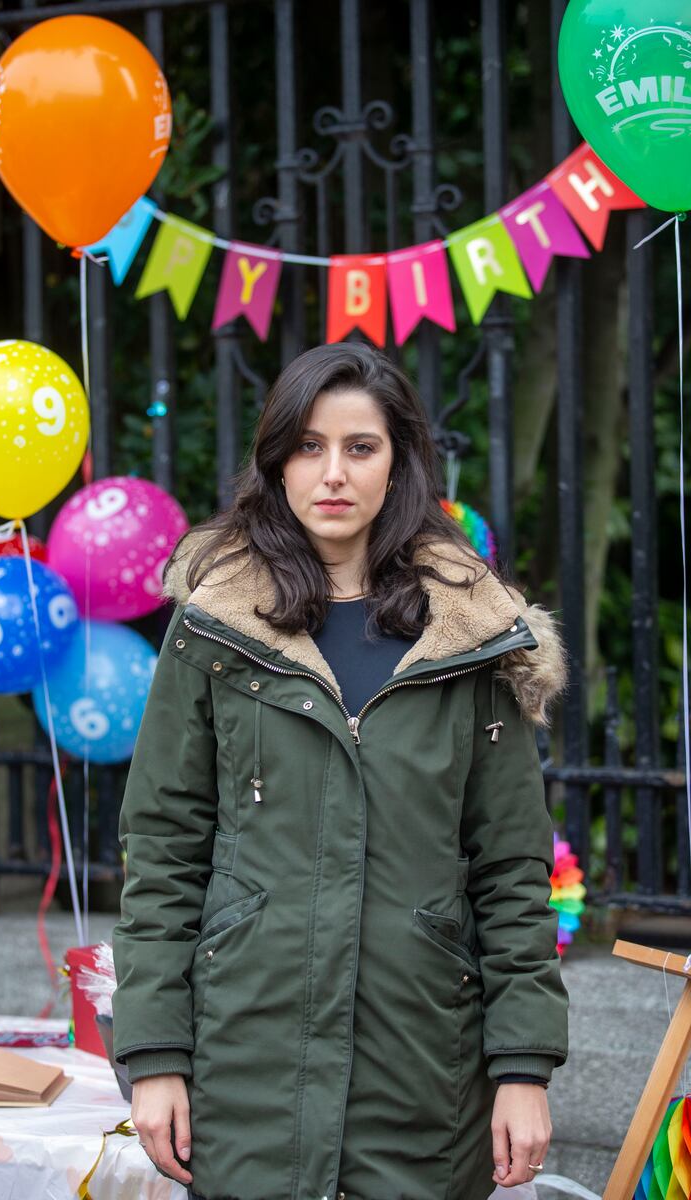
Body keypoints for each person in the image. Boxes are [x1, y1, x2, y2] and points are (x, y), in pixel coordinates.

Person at [111, 342, 570, 1200]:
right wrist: (156, 1055)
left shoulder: (469, 638)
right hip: (247, 1062)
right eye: (309, 446)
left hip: (423, 1071)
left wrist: (523, 1067)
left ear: (399, 464)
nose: (333, 473)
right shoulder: (214, 630)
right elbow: (163, 852)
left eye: (361, 447)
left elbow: (512, 870)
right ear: (276, 459)